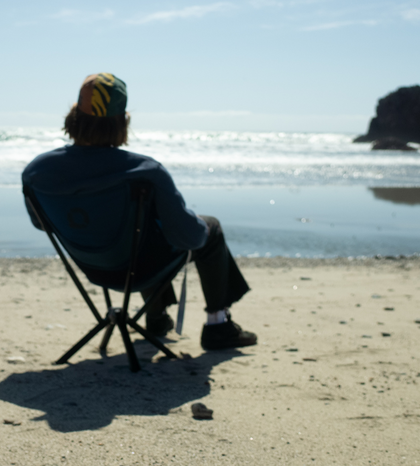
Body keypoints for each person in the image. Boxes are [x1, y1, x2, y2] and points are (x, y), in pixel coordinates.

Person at [21, 73, 257, 351]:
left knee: (140, 231)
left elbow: (43, 225)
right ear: (122, 123)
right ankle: (218, 325)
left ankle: (157, 319)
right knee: (207, 228)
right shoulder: (144, 171)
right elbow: (190, 238)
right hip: (140, 269)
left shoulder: (37, 171)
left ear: (73, 117)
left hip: (93, 269)